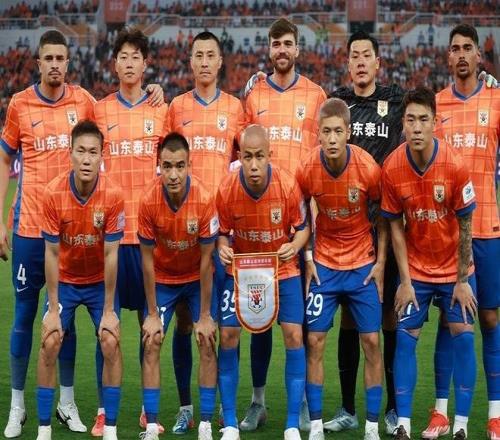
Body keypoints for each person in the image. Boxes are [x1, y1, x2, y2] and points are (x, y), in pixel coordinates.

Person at [0, 30, 94, 437]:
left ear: (68, 63)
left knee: (64, 318)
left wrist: (154, 92)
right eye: (48, 58)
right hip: (28, 231)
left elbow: (111, 131)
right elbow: (4, 160)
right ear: (38, 63)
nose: (55, 64)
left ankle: (66, 404)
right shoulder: (20, 104)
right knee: (24, 316)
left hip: (70, 234)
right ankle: (17, 406)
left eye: (61, 58)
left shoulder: (84, 102)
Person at [241, 18, 326, 432]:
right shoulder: (254, 94)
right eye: (276, 44)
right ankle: (258, 402)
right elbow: (241, 156)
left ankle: (305, 404)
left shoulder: (316, 95)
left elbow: (322, 160)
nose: (281, 50)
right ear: (269, 48)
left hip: (301, 226)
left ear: (297, 49)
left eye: (287, 43)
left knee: (302, 322)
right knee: (258, 320)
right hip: (259, 226)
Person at [382, 87, 477, 440]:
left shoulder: (455, 164)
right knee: (405, 339)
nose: (417, 127)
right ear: (403, 124)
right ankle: (404, 425)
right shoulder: (392, 168)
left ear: (435, 123)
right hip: (417, 271)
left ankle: (461, 425)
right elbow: (395, 228)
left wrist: (462, 280)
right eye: (411, 120)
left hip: (455, 270)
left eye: (424, 119)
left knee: (464, 337)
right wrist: (405, 282)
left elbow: (466, 225)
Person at [166, 30, 245, 434]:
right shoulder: (176, 107)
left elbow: (243, 165)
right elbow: (164, 165)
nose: (203, 62)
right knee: (186, 322)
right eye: (197, 55)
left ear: (220, 61)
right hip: (185, 234)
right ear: (190, 61)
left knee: (226, 326)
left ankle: (223, 412)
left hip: (225, 234)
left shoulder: (235, 108)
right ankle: (185, 407)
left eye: (210, 55)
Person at [424, 23, 500, 440]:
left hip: (487, 228)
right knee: (449, 321)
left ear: (478, 55)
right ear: (449, 57)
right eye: (455, 48)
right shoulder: (436, 106)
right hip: (447, 234)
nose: (462, 54)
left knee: (488, 317)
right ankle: (440, 411)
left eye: (468, 47)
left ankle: (495, 413)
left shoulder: (496, 98)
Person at [327, 31, 404, 435]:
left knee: (387, 315)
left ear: (377, 63)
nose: (359, 61)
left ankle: (391, 408)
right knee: (349, 318)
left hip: (385, 227)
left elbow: (433, 107)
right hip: (348, 230)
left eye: (366, 55)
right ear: (348, 63)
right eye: (354, 55)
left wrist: (488, 80)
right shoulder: (338, 102)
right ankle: (347, 408)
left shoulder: (395, 100)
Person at [93, 26, 169, 436]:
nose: (128, 63)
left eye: (135, 56)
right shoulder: (99, 111)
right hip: (110, 238)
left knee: (148, 328)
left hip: (148, 238)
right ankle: (104, 411)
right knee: (107, 329)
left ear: (145, 63)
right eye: (122, 56)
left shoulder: (162, 110)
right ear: (114, 63)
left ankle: (146, 408)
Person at [297, 97, 386, 440]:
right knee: (315, 340)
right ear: (318, 134)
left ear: (348, 132)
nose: (332, 138)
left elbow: (384, 215)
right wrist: (308, 258)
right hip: (325, 265)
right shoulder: (308, 168)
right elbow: (300, 214)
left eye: (338, 131)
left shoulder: (367, 168)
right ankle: (316, 425)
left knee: (372, 342)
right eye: (326, 132)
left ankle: (372, 427)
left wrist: (380, 263)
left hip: (362, 263)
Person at [216, 124, 310, 440]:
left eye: (260, 157)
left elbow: (303, 227)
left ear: (270, 155)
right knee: (228, 335)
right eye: (248, 157)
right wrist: (223, 248)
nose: (254, 165)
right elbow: (222, 234)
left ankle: (292, 423)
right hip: (244, 271)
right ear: (239, 157)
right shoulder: (227, 189)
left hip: (282, 270)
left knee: (294, 335)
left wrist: (294, 246)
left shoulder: (287, 185)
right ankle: (232, 422)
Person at [35, 120, 125, 440]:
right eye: (81, 152)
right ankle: (44, 429)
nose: (86, 159)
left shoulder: (113, 194)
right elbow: (51, 254)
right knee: (50, 340)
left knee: (110, 339)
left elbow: (112, 255)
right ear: (69, 153)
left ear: (102, 156)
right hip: (66, 281)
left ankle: (110, 427)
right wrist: (53, 310)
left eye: (93, 153)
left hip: (99, 282)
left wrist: (110, 310)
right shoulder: (53, 193)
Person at [138, 132, 218, 440]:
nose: (173, 174)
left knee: (207, 338)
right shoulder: (148, 200)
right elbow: (146, 261)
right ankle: (152, 426)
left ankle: (206, 424)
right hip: (162, 279)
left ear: (189, 165)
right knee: (151, 339)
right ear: (159, 165)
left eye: (180, 166)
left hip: (196, 278)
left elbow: (208, 260)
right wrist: (151, 314)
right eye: (167, 166)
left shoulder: (204, 198)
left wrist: (206, 315)